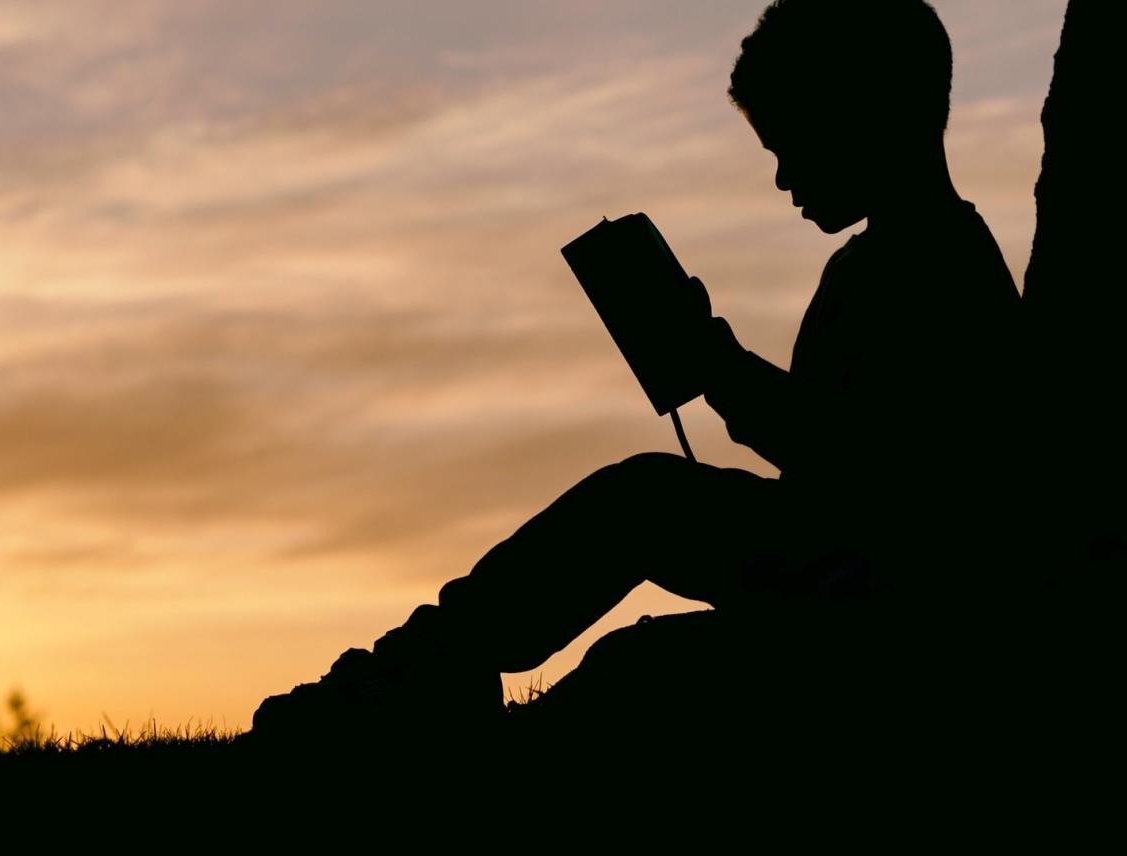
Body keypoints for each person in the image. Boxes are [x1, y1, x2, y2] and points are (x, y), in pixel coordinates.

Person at [249, 0, 1022, 741]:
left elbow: (861, 470)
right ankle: (420, 676)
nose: (785, 178)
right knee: (641, 535)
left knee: (639, 559)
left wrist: (714, 363)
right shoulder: (895, 260)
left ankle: (412, 682)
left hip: (888, 609)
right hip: (851, 584)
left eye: (793, 143)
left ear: (865, 114)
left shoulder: (935, 269)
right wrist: (715, 362)